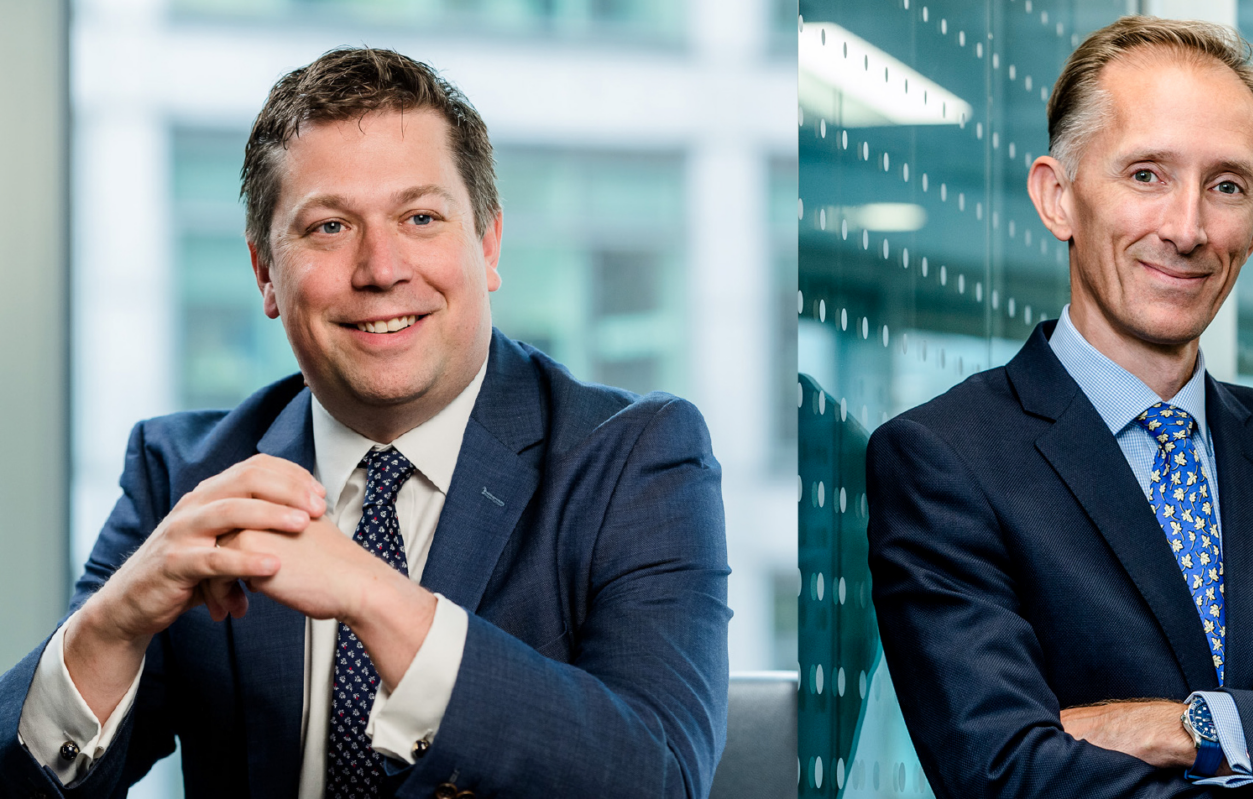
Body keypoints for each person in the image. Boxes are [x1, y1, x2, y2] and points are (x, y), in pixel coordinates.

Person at [0, 48, 729, 799]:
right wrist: (108, 628)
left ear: (487, 245)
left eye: (420, 217)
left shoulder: (637, 459)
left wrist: (373, 596)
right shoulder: (184, 475)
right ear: (263, 273)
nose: (380, 267)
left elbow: (660, 777)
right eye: (328, 227)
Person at [865, 17, 1253, 799]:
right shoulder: (944, 458)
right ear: (1057, 197)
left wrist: (1197, 726)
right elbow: (1008, 775)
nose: (1187, 228)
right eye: (1146, 175)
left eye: (1225, 186)